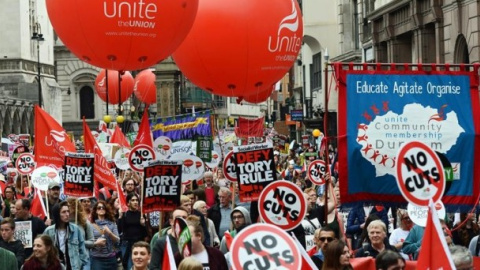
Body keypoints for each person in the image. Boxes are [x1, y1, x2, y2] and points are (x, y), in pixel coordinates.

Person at [43, 201, 89, 270]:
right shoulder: (48, 231)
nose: (67, 214)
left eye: (68, 211)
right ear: (57, 214)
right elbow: (43, 250)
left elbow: (82, 249)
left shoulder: (75, 229)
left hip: (73, 267)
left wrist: (80, 263)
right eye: (64, 212)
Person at [118, 193, 147, 270]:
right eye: (133, 200)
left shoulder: (141, 214)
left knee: (138, 266)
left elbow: (145, 234)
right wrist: (120, 217)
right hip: (127, 244)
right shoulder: (125, 214)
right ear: (128, 203)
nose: (135, 202)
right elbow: (120, 230)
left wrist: (143, 224)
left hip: (139, 244)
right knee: (128, 265)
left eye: (137, 200)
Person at [90, 201, 120, 270]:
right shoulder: (91, 226)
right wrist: (96, 243)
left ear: (106, 210)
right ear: (96, 211)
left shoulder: (112, 224)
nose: (101, 209)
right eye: (99, 208)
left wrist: (110, 233)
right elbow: (87, 242)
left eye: (103, 208)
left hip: (111, 258)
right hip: (97, 259)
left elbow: (118, 241)